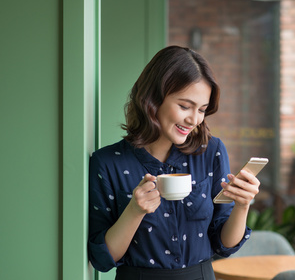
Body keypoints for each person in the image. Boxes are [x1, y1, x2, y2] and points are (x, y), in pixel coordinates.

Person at [88, 46, 261, 280]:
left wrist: (242, 205)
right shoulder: (107, 163)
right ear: (153, 99)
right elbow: (103, 259)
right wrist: (135, 211)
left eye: (202, 109)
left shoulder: (211, 152)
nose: (194, 119)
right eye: (184, 106)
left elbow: (224, 244)